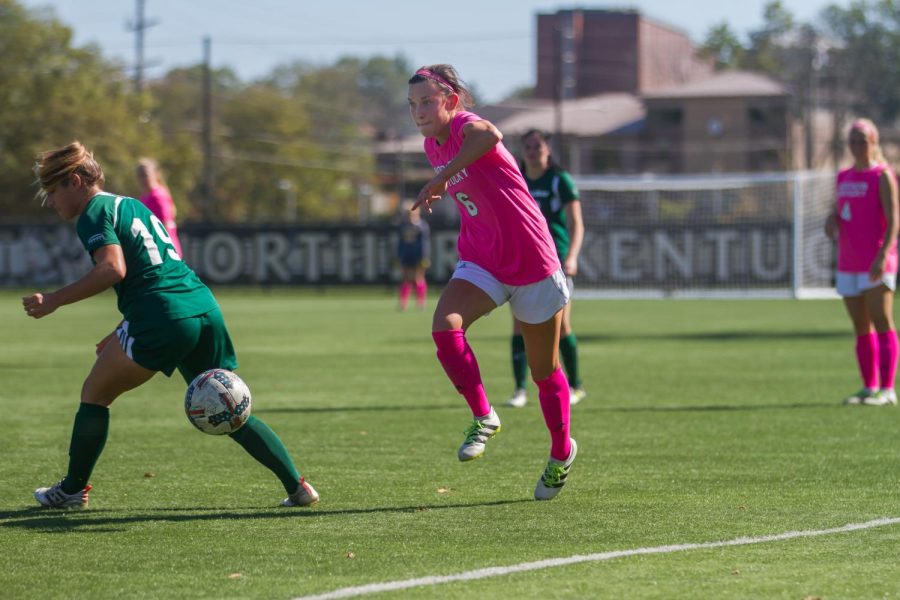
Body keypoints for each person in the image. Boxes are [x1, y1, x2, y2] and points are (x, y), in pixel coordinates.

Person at [25, 141, 319, 509]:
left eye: (51, 191)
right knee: (230, 409)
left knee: (95, 395)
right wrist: (125, 325)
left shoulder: (92, 213)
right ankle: (298, 486)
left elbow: (113, 269)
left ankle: (70, 490)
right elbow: (157, 270)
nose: (50, 202)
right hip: (201, 306)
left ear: (74, 180)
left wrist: (53, 300)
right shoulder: (132, 204)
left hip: (164, 315)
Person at [408, 64, 576, 500]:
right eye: (413, 104)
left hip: (533, 260)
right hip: (483, 259)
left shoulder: (466, 125)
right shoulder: (432, 144)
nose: (420, 110)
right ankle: (484, 415)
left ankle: (561, 453)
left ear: (451, 101)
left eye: (427, 100)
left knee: (543, 372)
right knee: (445, 327)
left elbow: (491, 137)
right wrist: (443, 176)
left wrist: (442, 177)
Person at [507, 130, 586, 408]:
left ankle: (575, 385)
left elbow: (576, 223)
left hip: (556, 262)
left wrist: (573, 256)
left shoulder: (559, 180)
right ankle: (519, 390)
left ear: (548, 150)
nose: (532, 150)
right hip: (524, 262)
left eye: (537, 145)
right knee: (519, 324)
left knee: (561, 326)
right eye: (527, 146)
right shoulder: (516, 177)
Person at [825, 119, 900, 406]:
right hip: (849, 261)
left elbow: (894, 220)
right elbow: (841, 212)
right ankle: (869, 386)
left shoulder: (882, 175)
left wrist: (883, 255)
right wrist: (831, 221)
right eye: (852, 141)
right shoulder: (843, 176)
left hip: (877, 261)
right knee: (860, 325)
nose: (857, 146)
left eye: (862, 140)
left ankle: (888, 389)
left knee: (882, 321)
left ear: (874, 142)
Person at [136, 157, 182, 257]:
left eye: (145, 175)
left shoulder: (158, 196)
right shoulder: (144, 197)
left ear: (156, 174)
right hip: (154, 250)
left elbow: (164, 225)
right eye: (140, 176)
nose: (143, 179)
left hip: (165, 251)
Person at [396, 200, 431, 310]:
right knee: (406, 278)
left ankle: (421, 302)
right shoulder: (403, 226)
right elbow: (400, 242)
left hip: (418, 255)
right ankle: (403, 303)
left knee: (418, 278)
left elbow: (425, 242)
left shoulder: (422, 226)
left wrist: (424, 256)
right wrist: (399, 255)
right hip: (406, 255)